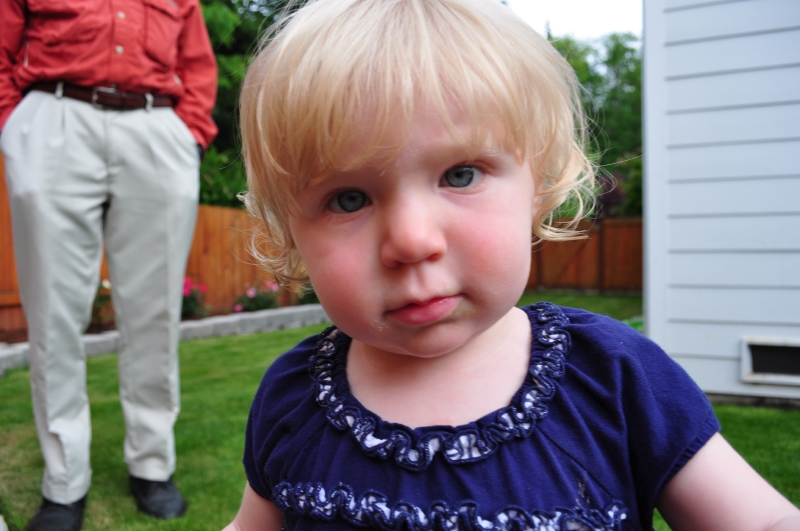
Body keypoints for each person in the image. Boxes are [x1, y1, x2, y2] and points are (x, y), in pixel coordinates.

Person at [224, 0, 800, 530]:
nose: (411, 241)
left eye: (460, 174)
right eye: (349, 199)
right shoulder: (292, 397)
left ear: (540, 183)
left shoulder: (615, 378)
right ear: (290, 231)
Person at [0, 0, 217, 529]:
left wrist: (189, 134)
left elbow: (197, 65)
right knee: (53, 316)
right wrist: (13, 125)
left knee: (155, 315)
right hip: (54, 118)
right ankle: (63, 482)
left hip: (155, 125)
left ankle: (152, 466)